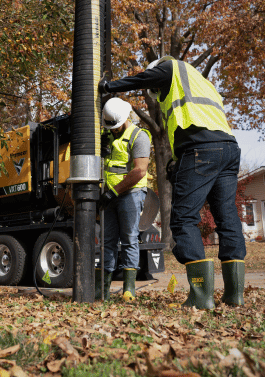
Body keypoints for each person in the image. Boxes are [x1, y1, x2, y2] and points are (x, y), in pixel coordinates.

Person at [99, 56, 246, 309]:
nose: (156, 92)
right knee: (227, 218)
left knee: (183, 219)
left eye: (156, 88)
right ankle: (235, 296)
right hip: (229, 149)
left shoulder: (172, 68)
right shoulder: (203, 84)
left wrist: (109, 87)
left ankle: (201, 297)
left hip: (201, 150)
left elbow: (144, 78)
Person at [96, 97, 151, 301]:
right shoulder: (107, 135)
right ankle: (102, 290)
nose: (113, 130)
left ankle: (129, 290)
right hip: (109, 194)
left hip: (130, 193)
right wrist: (99, 151)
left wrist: (113, 192)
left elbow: (139, 171)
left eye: (116, 127)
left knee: (129, 239)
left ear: (125, 118)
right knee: (107, 241)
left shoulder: (139, 136)